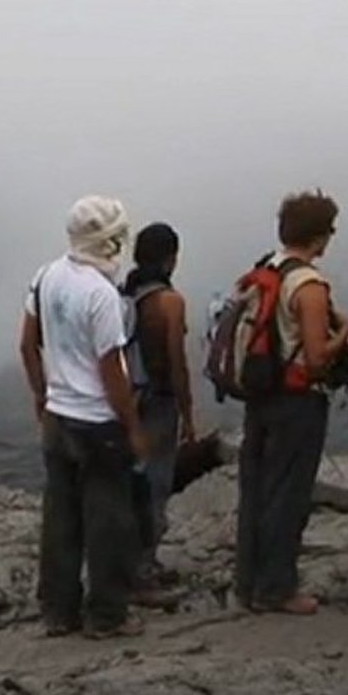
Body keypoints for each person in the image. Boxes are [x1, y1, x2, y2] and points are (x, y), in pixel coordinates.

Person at [19, 195, 147, 639]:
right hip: (97, 424)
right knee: (108, 520)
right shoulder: (101, 295)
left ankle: (58, 611)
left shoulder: (46, 277)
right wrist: (132, 427)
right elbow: (112, 370)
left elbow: (27, 344)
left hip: (58, 417)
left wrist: (41, 395)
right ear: (111, 243)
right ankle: (107, 616)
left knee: (61, 518)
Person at [236, 189, 348, 615]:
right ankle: (278, 588)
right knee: (288, 494)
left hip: (260, 396)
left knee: (256, 490)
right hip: (297, 402)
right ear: (319, 236)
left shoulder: (265, 270)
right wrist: (344, 336)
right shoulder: (309, 286)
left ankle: (247, 584)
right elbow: (318, 358)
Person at [123, 223, 196, 589]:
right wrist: (188, 413)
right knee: (155, 482)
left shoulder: (124, 298)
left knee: (128, 480)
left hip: (124, 401)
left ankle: (122, 562)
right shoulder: (170, 302)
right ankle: (144, 566)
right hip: (159, 402)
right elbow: (176, 364)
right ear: (171, 258)